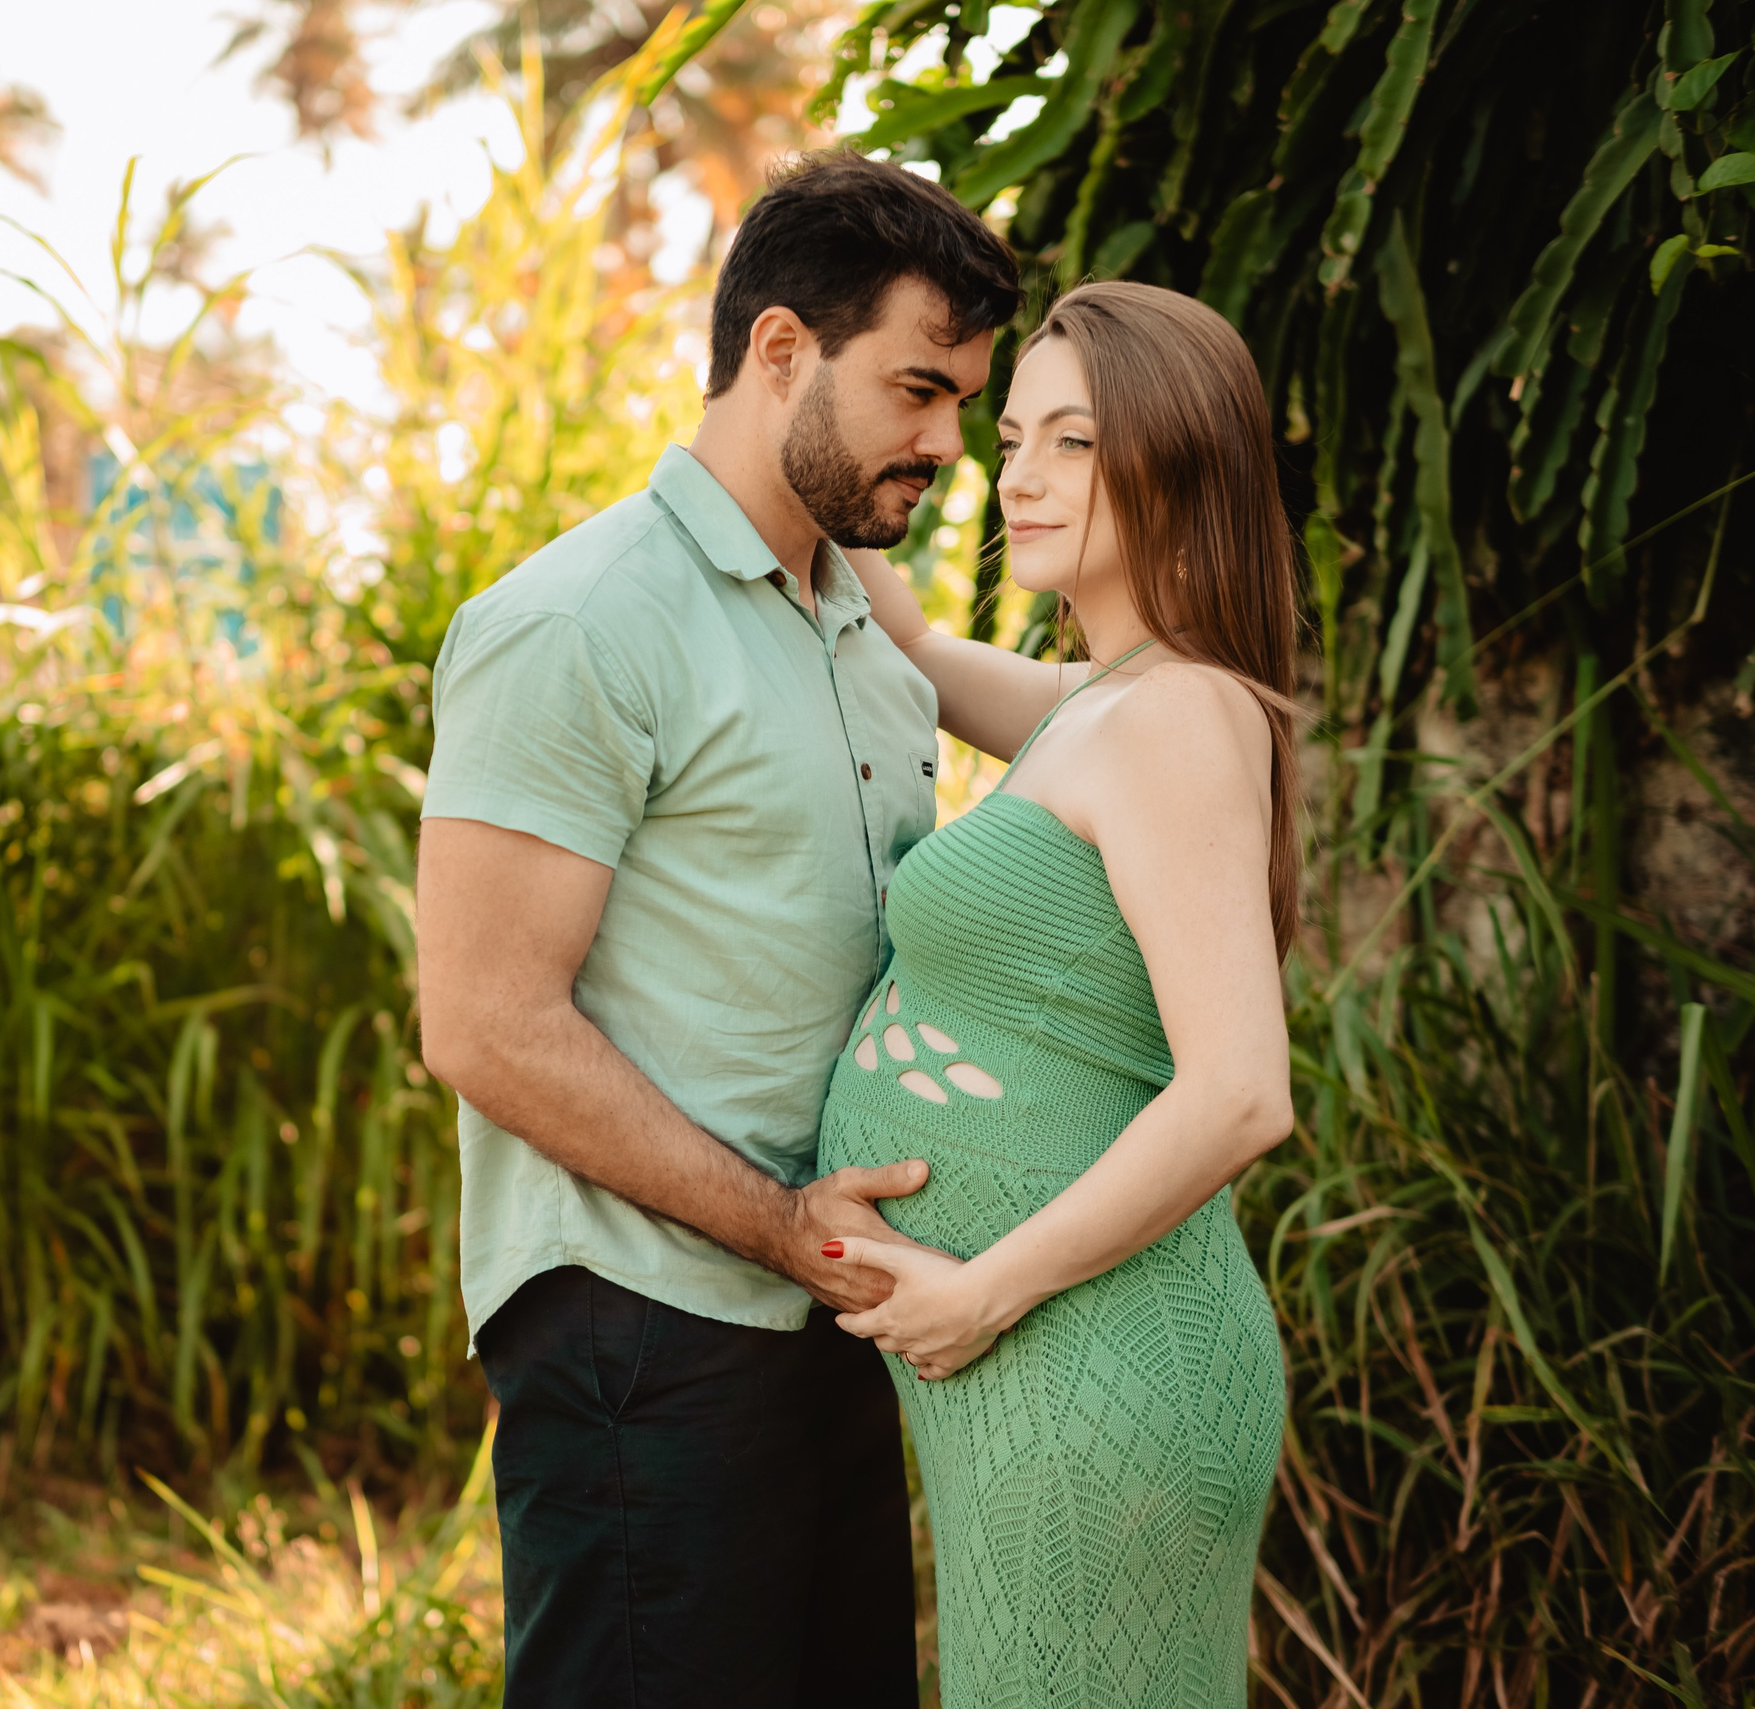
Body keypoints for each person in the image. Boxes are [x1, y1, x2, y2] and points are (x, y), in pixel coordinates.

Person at [413, 150, 1018, 1708]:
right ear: (778, 352)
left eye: (962, 403)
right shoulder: (581, 621)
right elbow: (484, 1022)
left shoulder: (868, 636)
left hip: (831, 1317)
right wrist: (782, 1226)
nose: (947, 441)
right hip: (645, 1332)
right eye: (916, 390)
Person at [817, 279, 1299, 1707]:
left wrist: (980, 1293)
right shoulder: (1105, 704)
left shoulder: (1173, 717)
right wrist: (805, 431)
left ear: (1182, 461)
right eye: (1010, 436)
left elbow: (1240, 1089)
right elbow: (907, 651)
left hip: (1085, 1362)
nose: (1017, 474)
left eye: (1073, 442)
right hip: (1048, 1368)